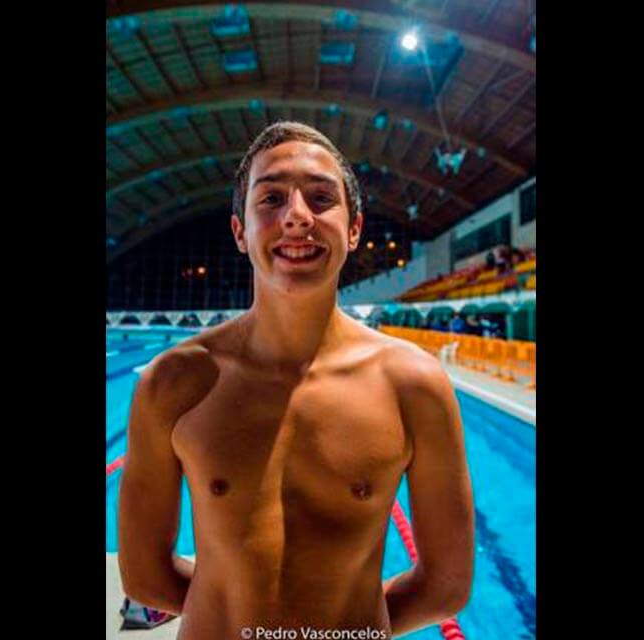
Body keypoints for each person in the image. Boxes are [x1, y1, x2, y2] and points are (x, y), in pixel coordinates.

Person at [118, 122, 474, 639]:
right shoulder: (173, 382)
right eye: (271, 198)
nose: (297, 217)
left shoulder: (414, 386)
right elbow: (145, 575)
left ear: (353, 229)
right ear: (240, 232)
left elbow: (446, 583)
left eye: (322, 198)